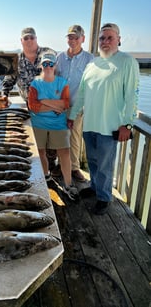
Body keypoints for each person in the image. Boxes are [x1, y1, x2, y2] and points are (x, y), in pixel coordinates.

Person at [68, 23, 139, 214]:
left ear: (119, 39)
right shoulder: (92, 64)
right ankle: (94, 187)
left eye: (110, 37)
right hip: (89, 123)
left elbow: (132, 95)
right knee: (92, 160)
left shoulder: (127, 62)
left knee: (105, 164)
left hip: (110, 126)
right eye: (102, 38)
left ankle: (104, 197)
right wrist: (73, 115)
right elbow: (82, 94)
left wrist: (128, 124)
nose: (105, 41)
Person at [2, 27, 57, 170]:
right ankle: (38, 168)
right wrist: (4, 95)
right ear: (21, 41)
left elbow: (56, 69)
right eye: (26, 38)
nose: (29, 40)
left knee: (50, 138)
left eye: (32, 37)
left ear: (36, 39)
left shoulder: (47, 53)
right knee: (33, 138)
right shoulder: (16, 60)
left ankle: (52, 167)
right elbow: (9, 80)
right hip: (29, 106)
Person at [27, 52, 78, 201]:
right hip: (38, 124)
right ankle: (46, 175)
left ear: (55, 66)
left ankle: (68, 184)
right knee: (40, 152)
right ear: (40, 66)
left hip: (58, 125)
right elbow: (33, 106)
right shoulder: (35, 83)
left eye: (50, 64)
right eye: (45, 64)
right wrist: (54, 105)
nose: (48, 67)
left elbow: (65, 104)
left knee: (65, 153)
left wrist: (43, 101)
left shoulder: (62, 83)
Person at [54, 25, 94, 182]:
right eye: (70, 37)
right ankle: (60, 164)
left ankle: (75, 168)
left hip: (77, 105)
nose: (72, 40)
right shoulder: (59, 57)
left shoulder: (90, 59)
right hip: (59, 105)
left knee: (75, 136)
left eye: (76, 37)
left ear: (83, 39)